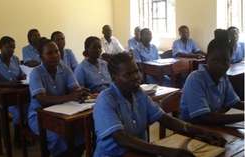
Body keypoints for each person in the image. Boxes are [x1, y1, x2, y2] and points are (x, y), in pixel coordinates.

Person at [93, 53, 226, 157]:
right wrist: (168, 152)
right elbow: (121, 138)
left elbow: (164, 119)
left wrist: (202, 132)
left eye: (136, 71)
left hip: (139, 152)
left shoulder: (139, 94)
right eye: (128, 74)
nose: (135, 77)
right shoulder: (106, 100)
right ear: (114, 77)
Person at [27, 39, 89, 157]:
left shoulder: (64, 68)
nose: (55, 55)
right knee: (58, 136)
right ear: (41, 56)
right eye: (49, 53)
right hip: (39, 115)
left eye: (56, 51)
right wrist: (70, 96)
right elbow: (42, 99)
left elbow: (74, 88)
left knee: (82, 134)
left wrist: (80, 92)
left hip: (62, 113)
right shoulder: (36, 73)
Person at [180, 31, 244, 124]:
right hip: (192, 129)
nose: (220, 65)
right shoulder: (195, 79)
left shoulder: (223, 78)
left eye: (225, 61)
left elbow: (234, 103)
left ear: (230, 61)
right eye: (215, 60)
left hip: (211, 128)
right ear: (206, 59)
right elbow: (204, 117)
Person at [0, 36, 26, 146]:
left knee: (31, 106)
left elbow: (21, 74)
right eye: (8, 47)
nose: (11, 50)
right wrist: (9, 84)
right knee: (19, 111)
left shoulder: (15, 59)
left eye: (13, 47)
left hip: (18, 93)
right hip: (3, 96)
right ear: (0, 47)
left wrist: (24, 76)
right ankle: (17, 139)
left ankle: (25, 133)